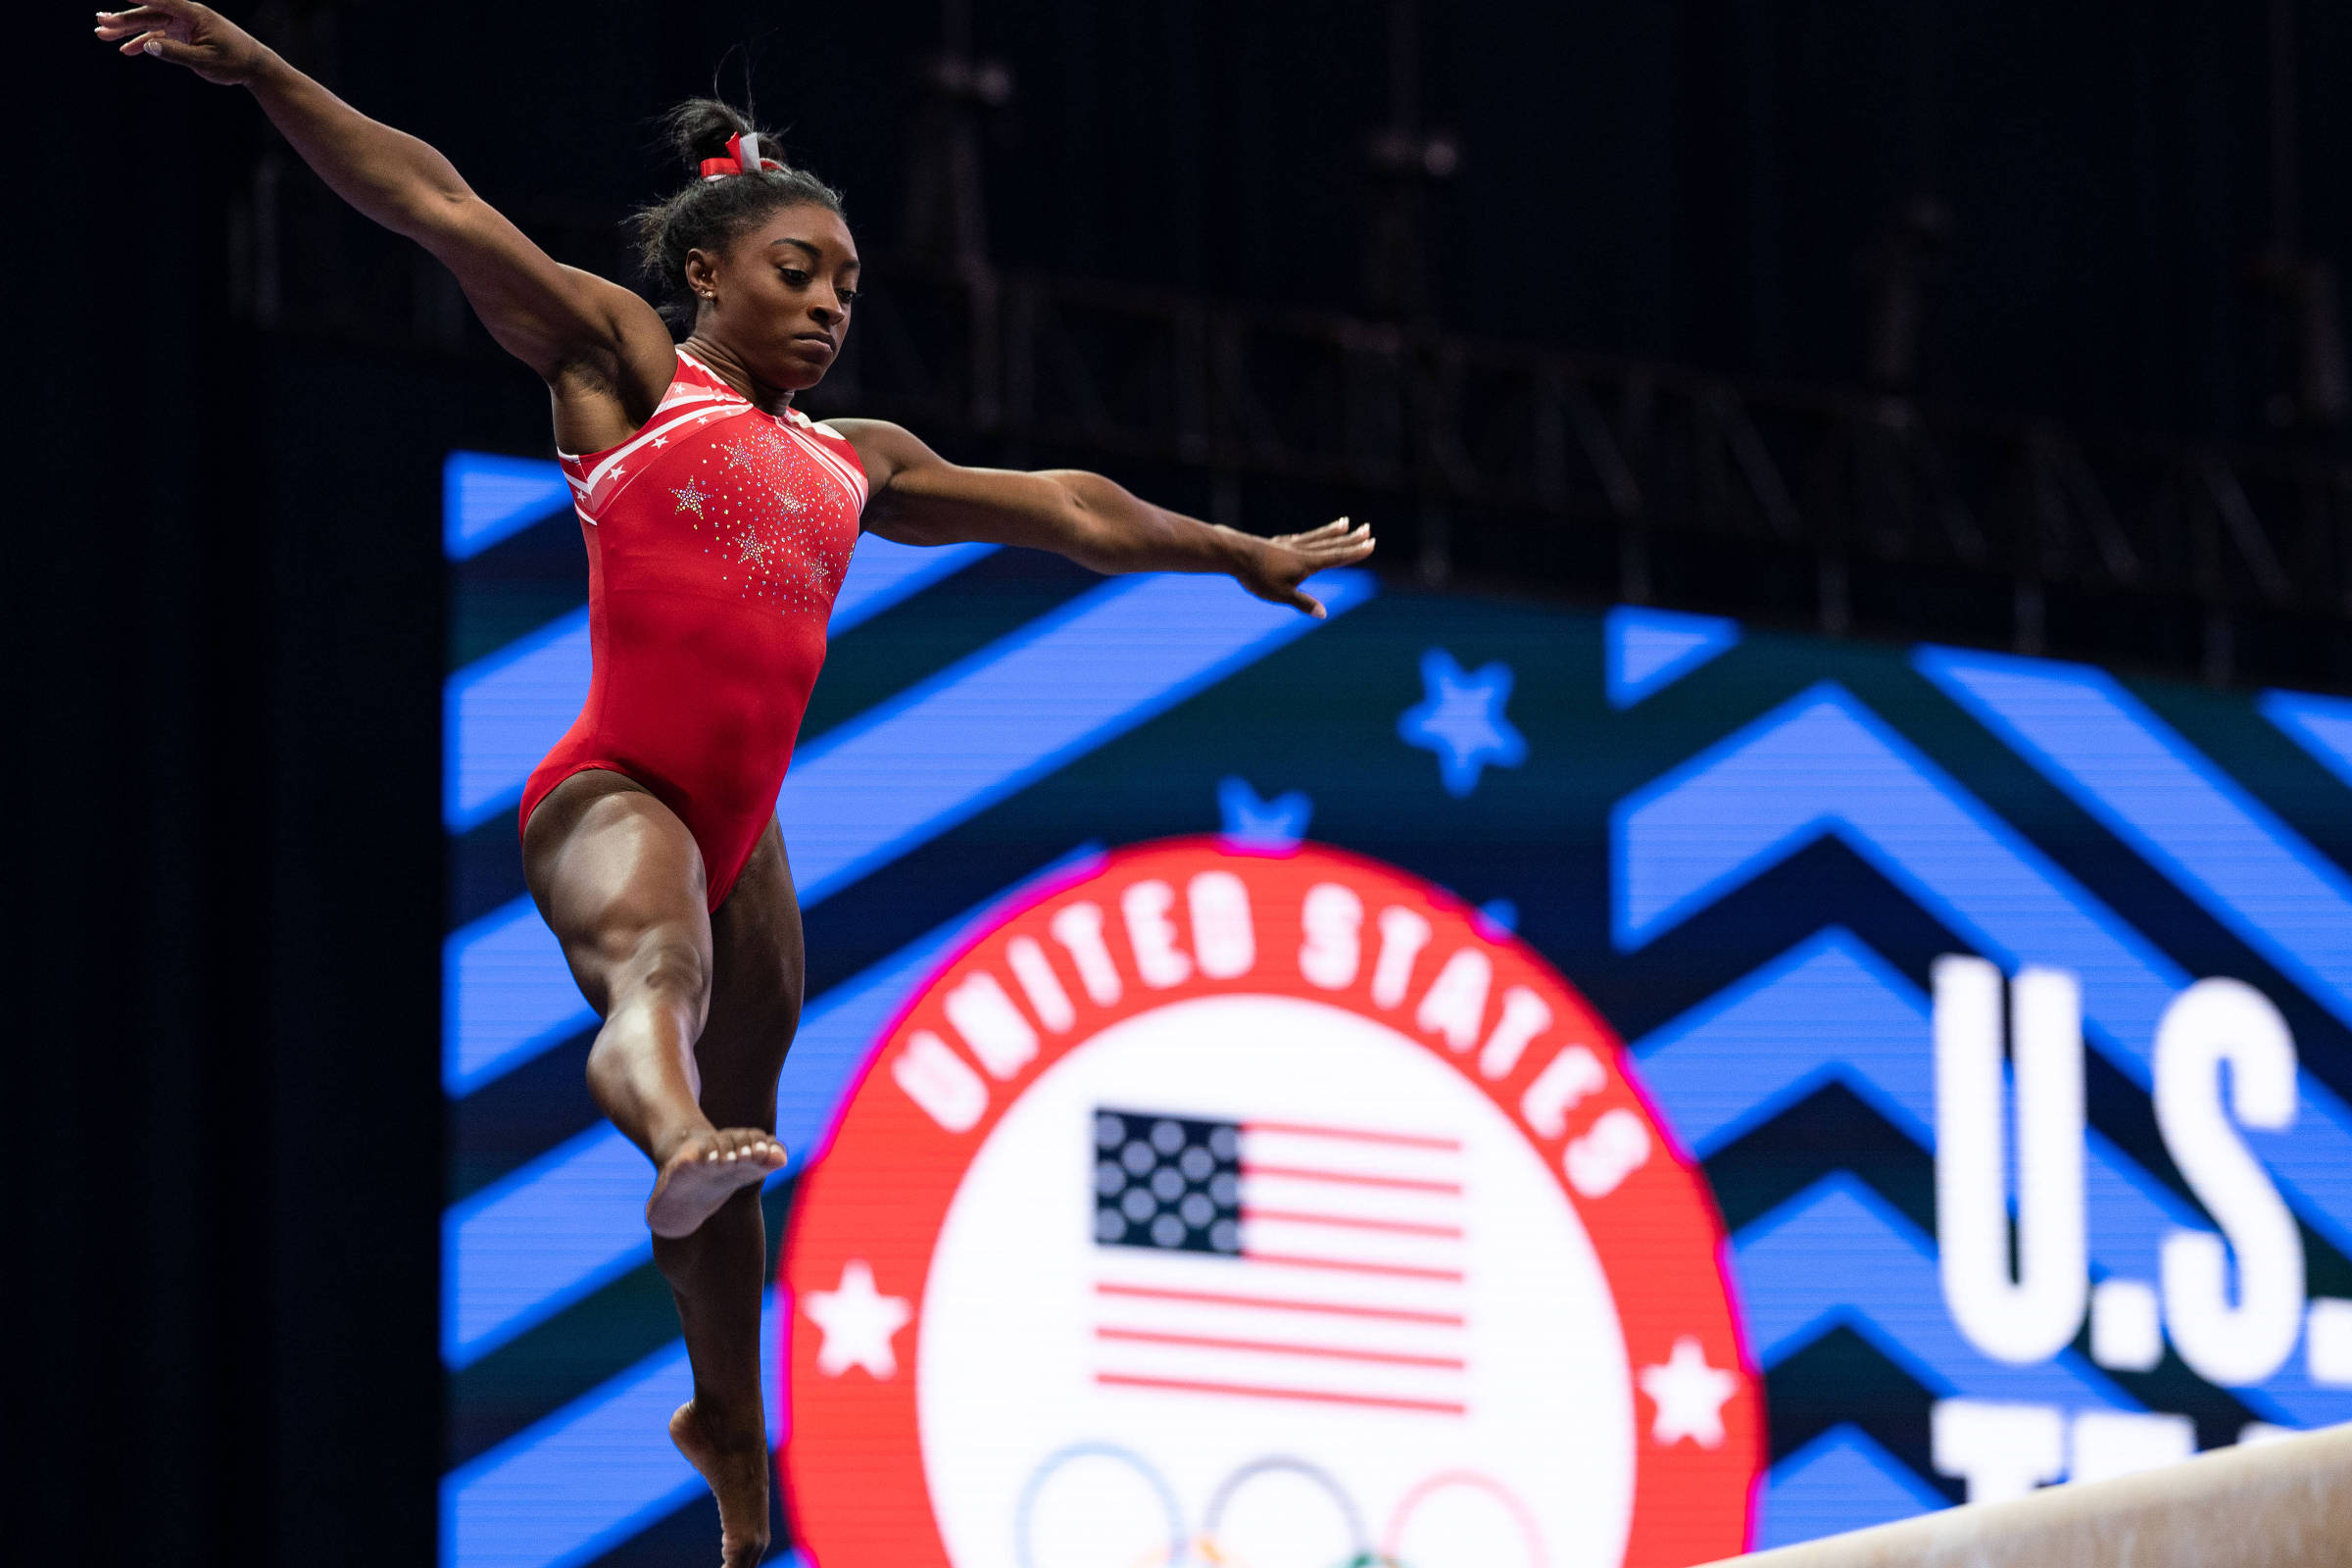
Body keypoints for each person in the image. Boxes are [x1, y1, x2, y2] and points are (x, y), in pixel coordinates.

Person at [100, 3, 1373, 1560]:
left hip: (742, 830)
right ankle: (668, 1142)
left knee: (748, 1143)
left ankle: (727, 1427)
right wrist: (269, 73)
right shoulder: (626, 370)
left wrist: (1230, 548)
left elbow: (1066, 504)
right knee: (664, 986)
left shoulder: (860, 460)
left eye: (846, 282)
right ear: (703, 274)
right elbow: (433, 204)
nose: (833, 305)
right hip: (616, 787)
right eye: (798, 272)